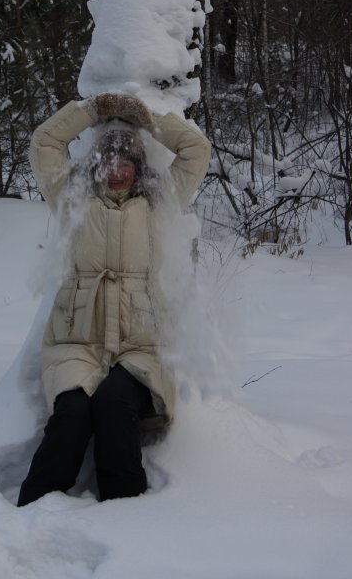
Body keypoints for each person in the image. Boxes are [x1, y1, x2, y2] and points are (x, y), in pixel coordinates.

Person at [17, 93, 210, 505]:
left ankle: (124, 514)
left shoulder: (161, 200)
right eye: (109, 163)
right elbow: (44, 144)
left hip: (140, 343)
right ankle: (32, 509)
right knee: (70, 414)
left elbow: (196, 150)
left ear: (139, 169)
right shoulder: (71, 199)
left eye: (126, 164)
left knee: (113, 404)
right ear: (95, 165)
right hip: (76, 341)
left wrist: (149, 119)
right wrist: (91, 112)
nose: (117, 172)